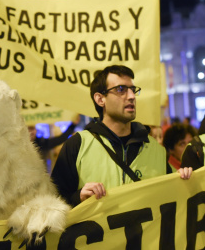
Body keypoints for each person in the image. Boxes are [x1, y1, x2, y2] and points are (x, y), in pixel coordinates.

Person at [51, 65, 192, 207]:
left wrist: (184, 178)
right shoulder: (77, 145)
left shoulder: (155, 148)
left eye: (133, 90)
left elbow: (172, 199)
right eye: (121, 90)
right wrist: (78, 197)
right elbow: (52, 203)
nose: (131, 96)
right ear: (100, 99)